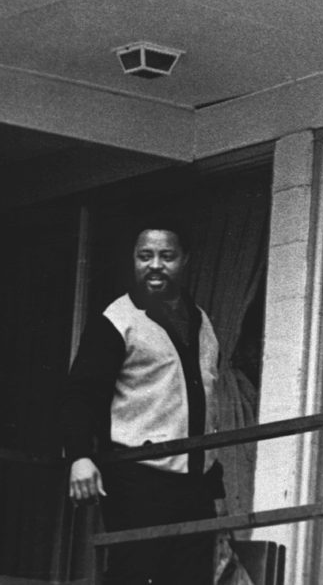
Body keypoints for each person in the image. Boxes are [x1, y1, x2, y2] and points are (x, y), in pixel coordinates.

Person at [62, 222, 224, 585]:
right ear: (133, 261)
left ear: (185, 260)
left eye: (166, 256)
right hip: (138, 478)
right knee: (134, 575)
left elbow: (204, 400)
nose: (155, 265)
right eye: (144, 256)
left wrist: (215, 479)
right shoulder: (117, 321)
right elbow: (80, 394)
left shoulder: (202, 321)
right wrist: (78, 456)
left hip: (195, 483)